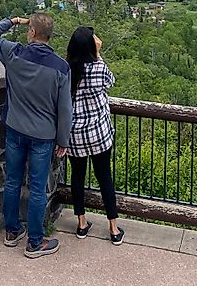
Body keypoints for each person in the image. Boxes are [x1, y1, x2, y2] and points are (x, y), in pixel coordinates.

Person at [0, 14, 72, 258]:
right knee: (37, 188)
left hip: (15, 129)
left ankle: (12, 232)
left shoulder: (14, 54)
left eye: (28, 28)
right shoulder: (61, 68)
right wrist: (63, 140)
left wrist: (12, 21)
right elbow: (65, 109)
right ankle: (34, 242)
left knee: (12, 181)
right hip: (43, 135)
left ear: (31, 32)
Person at [66, 26, 124, 245]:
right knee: (104, 178)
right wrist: (97, 55)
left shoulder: (66, 70)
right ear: (91, 46)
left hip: (75, 134)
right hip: (98, 134)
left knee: (77, 177)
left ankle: (81, 224)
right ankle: (113, 228)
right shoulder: (97, 67)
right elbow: (110, 81)